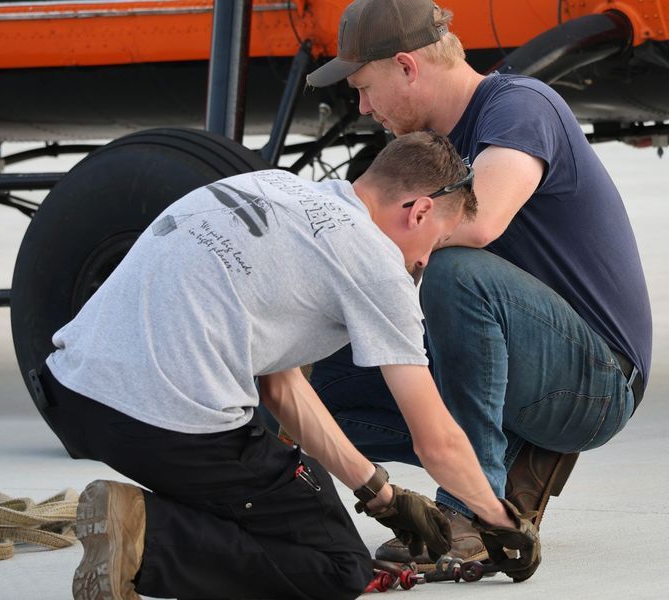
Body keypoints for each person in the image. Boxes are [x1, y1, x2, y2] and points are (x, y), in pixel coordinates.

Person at [36, 131, 539, 600]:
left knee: (286, 504)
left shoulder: (274, 188)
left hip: (73, 394)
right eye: (436, 242)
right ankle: (147, 535)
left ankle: (145, 524)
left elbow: (282, 387)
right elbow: (438, 441)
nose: (426, 260)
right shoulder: (376, 264)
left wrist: (379, 493)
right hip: (165, 420)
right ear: (420, 211)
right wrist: (499, 520)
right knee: (337, 563)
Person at [306, 0, 651, 569]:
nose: (363, 108)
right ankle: (476, 470)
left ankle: (471, 507)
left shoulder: (518, 106)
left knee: (455, 273)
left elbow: (480, 219)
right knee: (307, 379)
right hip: (512, 360)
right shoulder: (422, 153)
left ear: (407, 66)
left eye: (366, 88)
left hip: (596, 380)